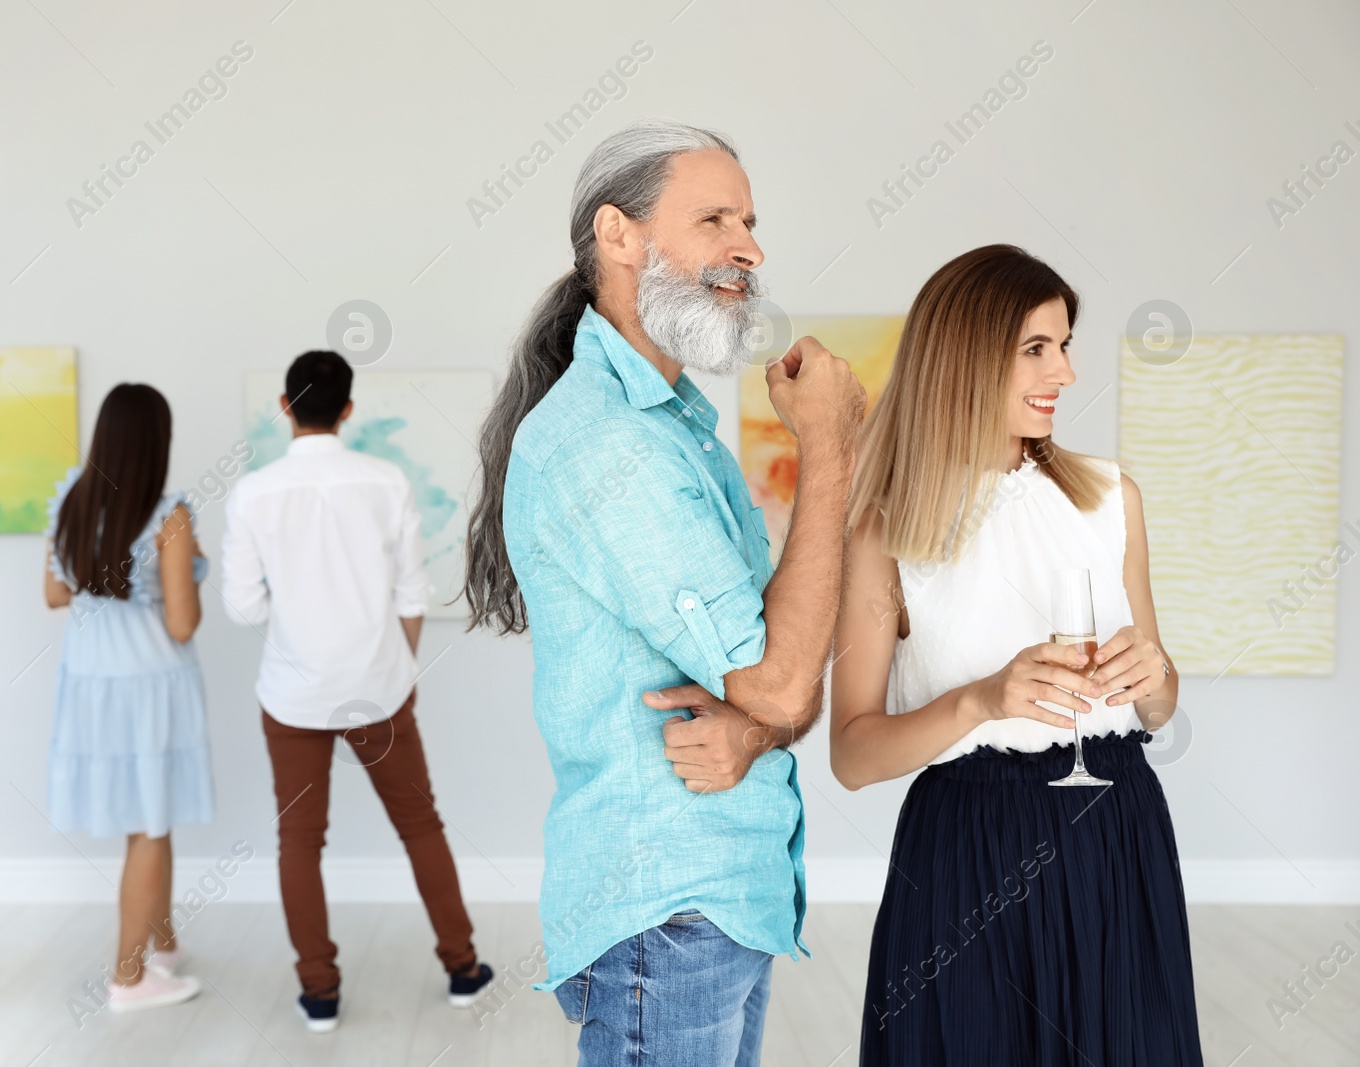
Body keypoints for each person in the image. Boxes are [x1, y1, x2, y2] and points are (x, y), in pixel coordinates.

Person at [463, 120, 864, 1066]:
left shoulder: (677, 427)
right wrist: (832, 448)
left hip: (712, 893)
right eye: (714, 217)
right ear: (619, 235)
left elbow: (779, 671)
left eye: (752, 221)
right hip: (667, 908)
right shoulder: (612, 444)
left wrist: (759, 725)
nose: (750, 248)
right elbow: (780, 682)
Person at [829, 245, 1203, 1065]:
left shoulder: (1112, 498)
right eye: (1037, 348)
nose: (1065, 373)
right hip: (968, 844)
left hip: (1116, 829)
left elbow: (1159, 701)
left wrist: (1157, 679)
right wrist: (981, 700)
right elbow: (852, 755)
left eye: (1065, 346)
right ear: (964, 355)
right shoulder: (886, 530)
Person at [219, 350, 493, 1033]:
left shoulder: (253, 493)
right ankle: (463, 968)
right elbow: (412, 592)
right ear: (347, 409)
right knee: (421, 824)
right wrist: (393, 669)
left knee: (299, 841)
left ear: (287, 408)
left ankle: (319, 992)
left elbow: (243, 609)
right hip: (381, 688)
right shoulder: (385, 480)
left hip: (292, 695)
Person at [42, 382, 214, 1012]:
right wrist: (194, 560)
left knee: (146, 817)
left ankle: (161, 940)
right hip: (148, 684)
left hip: (89, 681)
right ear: (157, 442)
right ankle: (129, 976)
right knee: (150, 823)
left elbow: (56, 596)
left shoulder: (70, 500)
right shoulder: (167, 515)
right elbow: (182, 624)